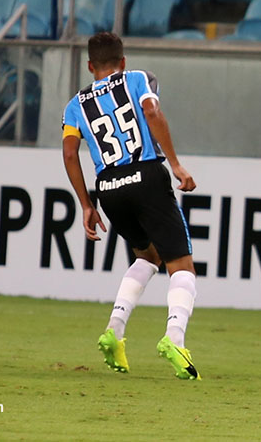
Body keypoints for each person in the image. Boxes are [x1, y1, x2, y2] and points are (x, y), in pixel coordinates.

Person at [62, 32, 200, 380]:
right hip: (146, 175)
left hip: (108, 187)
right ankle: (174, 339)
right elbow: (151, 111)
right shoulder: (138, 79)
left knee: (148, 256)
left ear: (90, 66)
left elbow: (69, 152)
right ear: (122, 61)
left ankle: (114, 329)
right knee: (181, 264)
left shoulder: (75, 104)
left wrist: (86, 203)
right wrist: (176, 164)